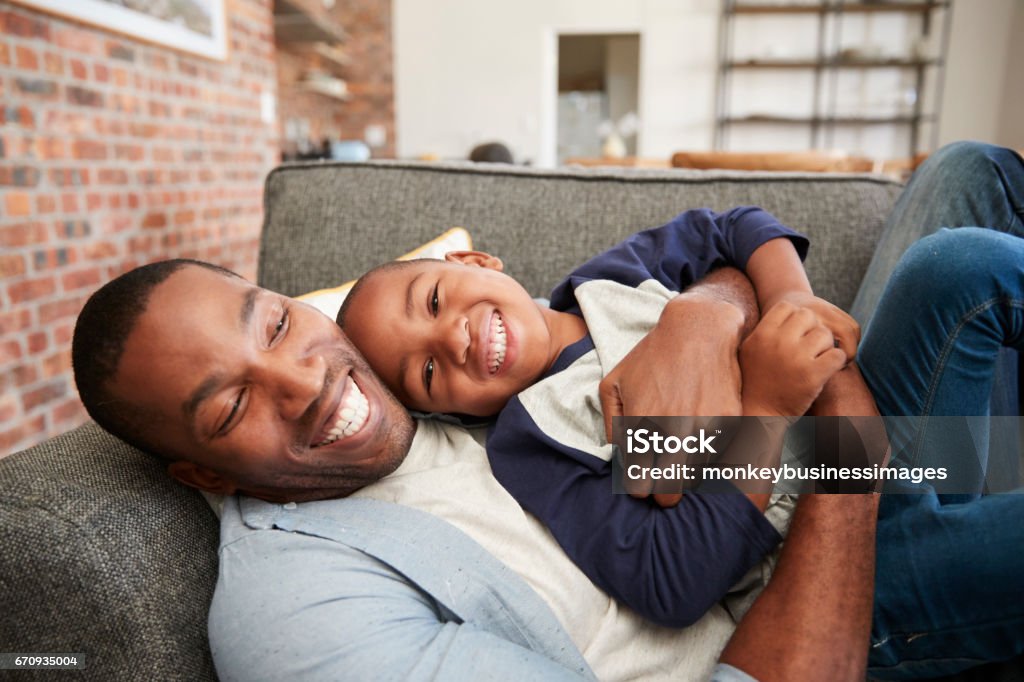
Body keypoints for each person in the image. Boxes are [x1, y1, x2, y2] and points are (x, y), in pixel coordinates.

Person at [69, 142, 1024, 680]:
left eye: (275, 324)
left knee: (964, 238)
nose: (306, 382)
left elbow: (722, 241)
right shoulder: (311, 612)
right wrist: (825, 439)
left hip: (835, 464)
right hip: (818, 578)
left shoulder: (479, 347)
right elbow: (677, 579)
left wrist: (706, 318)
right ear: (199, 470)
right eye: (232, 405)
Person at [334, 210, 858, 626]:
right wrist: (766, 410)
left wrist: (793, 300)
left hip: (867, 422)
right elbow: (670, 582)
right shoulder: (529, 446)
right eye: (426, 370)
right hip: (839, 544)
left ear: (474, 261)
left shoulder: (612, 278)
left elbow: (736, 226)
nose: (453, 338)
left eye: (432, 299)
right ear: (446, 413)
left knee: (938, 267)